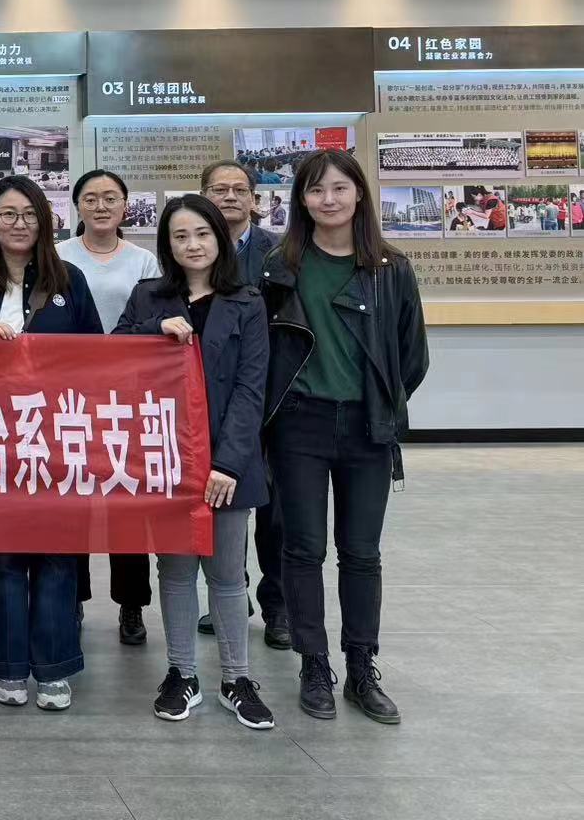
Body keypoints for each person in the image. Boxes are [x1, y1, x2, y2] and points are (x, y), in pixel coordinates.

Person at [261, 149, 428, 725]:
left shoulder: (390, 268)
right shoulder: (281, 265)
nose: (328, 199)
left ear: (359, 193)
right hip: (298, 424)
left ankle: (361, 667)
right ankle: (314, 665)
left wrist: (378, 401)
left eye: (339, 188)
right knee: (303, 548)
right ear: (301, 200)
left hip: (366, 427)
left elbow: (412, 356)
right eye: (315, 190)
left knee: (361, 552)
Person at [0, 175, 100, 711]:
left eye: (29, 214)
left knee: (57, 554)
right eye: (8, 214)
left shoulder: (69, 279)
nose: (19, 224)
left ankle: (53, 668)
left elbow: (99, 357)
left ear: (45, 222)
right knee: (2, 555)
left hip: (56, 437)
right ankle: (8, 666)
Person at [114, 196, 276, 731]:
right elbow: (112, 353)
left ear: (220, 239)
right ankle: (181, 673)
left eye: (202, 234)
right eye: (180, 236)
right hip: (166, 459)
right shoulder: (148, 296)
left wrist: (228, 463)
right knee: (177, 571)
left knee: (227, 575)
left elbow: (252, 389)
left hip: (226, 464)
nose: (193, 245)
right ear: (167, 244)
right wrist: (153, 330)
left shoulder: (247, 301)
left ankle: (237, 678)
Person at [58, 169, 162, 647]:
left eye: (110, 198)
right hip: (69, 398)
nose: (101, 206)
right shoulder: (59, 256)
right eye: (91, 198)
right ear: (77, 205)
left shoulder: (144, 260)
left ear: (125, 206)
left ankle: (131, 603)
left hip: (127, 398)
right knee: (73, 501)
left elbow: (153, 323)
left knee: (126, 504)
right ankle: (73, 597)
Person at [199, 159, 288, 648]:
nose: (229, 197)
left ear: (255, 199)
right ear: (204, 196)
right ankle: (228, 596)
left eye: (239, 189)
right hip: (213, 402)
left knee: (275, 513)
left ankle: (278, 606)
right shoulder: (194, 251)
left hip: (272, 400)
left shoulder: (280, 253)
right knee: (219, 504)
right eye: (219, 189)